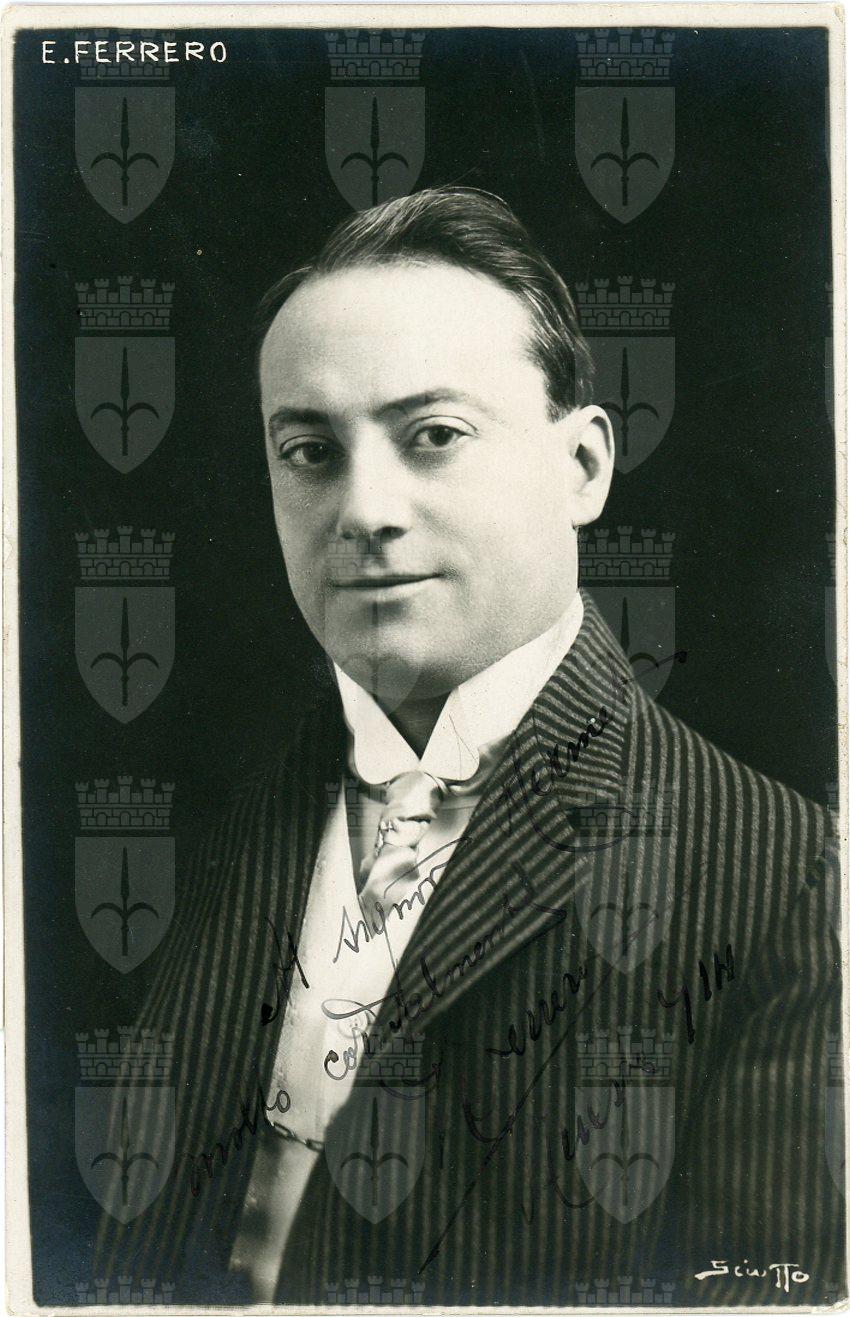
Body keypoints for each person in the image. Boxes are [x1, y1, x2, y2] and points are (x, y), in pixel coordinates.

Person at [95, 187, 843, 1307]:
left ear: (583, 466)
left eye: (434, 436)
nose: (364, 510)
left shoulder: (794, 886)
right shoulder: (201, 820)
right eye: (310, 450)